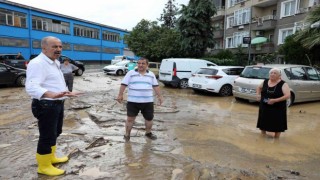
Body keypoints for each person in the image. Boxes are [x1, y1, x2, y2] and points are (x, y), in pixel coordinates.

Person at [26, 36, 83, 176]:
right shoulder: (38, 63)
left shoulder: (54, 62)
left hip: (57, 103)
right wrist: (51, 95)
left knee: (55, 132)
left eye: (60, 47)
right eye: (54, 46)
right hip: (46, 105)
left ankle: (51, 157)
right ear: (44, 48)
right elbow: (31, 87)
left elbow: (54, 83)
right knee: (46, 136)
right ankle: (44, 166)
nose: (58, 49)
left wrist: (66, 93)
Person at [116, 57, 163, 141]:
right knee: (130, 119)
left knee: (149, 118)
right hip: (133, 102)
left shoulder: (151, 74)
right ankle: (127, 135)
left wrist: (160, 96)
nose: (140, 65)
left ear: (147, 65)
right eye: (139, 63)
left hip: (148, 102)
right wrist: (120, 95)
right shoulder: (131, 73)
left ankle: (148, 133)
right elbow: (123, 84)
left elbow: (156, 86)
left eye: (143, 63)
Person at [256, 68, 290, 138]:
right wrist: (258, 95)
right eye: (271, 73)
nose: (272, 74)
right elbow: (259, 88)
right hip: (264, 106)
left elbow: (287, 95)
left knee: (277, 124)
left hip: (277, 108)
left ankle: (276, 140)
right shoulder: (265, 81)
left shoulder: (283, 84)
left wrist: (275, 100)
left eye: (275, 73)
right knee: (263, 122)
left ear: (279, 75)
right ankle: (262, 137)